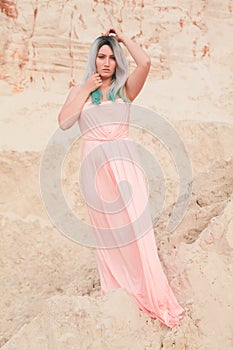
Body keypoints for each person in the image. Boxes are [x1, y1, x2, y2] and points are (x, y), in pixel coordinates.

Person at [58, 28, 184, 327]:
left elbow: (146, 63)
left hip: (125, 167)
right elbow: (64, 123)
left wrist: (123, 38)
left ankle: (150, 292)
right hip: (94, 171)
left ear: (117, 62)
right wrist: (86, 88)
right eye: (101, 56)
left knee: (136, 231)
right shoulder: (80, 89)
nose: (106, 62)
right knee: (108, 237)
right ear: (94, 59)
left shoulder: (125, 89)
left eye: (112, 57)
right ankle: (117, 290)